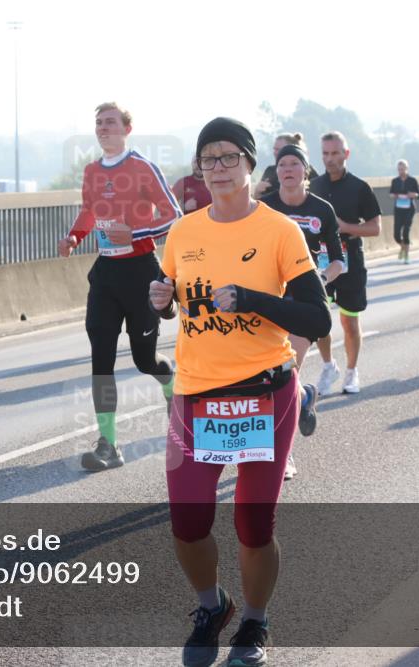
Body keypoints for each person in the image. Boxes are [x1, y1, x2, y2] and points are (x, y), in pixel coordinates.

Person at [149, 117, 331, 667]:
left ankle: (254, 622)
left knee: (253, 524)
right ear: (199, 168)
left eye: (231, 157)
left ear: (252, 165)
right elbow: (178, 300)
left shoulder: (280, 231)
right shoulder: (183, 232)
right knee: (187, 522)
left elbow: (316, 316)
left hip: (264, 394)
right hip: (197, 395)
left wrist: (253, 299)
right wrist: (162, 301)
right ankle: (213, 606)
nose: (220, 168)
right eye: (209, 158)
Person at [58, 102, 181, 472]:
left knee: (145, 360)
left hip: (141, 273)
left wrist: (136, 233)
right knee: (101, 359)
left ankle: (171, 385)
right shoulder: (92, 171)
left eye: (110, 122)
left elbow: (173, 215)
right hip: (106, 275)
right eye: (98, 123)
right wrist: (74, 237)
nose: (103, 128)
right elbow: (89, 211)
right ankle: (108, 444)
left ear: (127, 128)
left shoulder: (143, 167)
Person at [260, 143, 344, 480]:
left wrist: (318, 280)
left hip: (305, 303)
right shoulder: (264, 207)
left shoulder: (322, 209)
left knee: (284, 373)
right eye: (282, 164)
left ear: (305, 171)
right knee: (266, 377)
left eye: (294, 163)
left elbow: (338, 260)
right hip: (268, 301)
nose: (288, 169)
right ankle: (306, 394)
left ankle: (285, 454)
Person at [310, 131, 381, 396]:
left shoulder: (360, 187)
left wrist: (346, 227)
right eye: (325, 153)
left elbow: (375, 228)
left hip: (350, 262)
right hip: (321, 264)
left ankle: (351, 372)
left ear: (346, 154)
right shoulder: (313, 187)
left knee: (350, 322)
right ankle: (329, 366)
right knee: (319, 320)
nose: (330, 159)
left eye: (335, 153)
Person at [252, 132, 320, 198]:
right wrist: (257, 192)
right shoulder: (270, 171)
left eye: (279, 149)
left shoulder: (310, 173)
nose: (275, 153)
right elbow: (260, 200)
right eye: (275, 149)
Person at [389, 160, 419, 264]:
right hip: (398, 209)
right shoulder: (395, 181)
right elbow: (391, 194)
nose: (401, 171)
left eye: (402, 169)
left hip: (409, 209)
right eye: (399, 169)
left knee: (406, 232)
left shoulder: (412, 180)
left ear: (407, 169)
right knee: (396, 235)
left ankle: (406, 255)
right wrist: (395, 196)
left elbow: (418, 195)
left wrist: (413, 195)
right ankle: (403, 247)